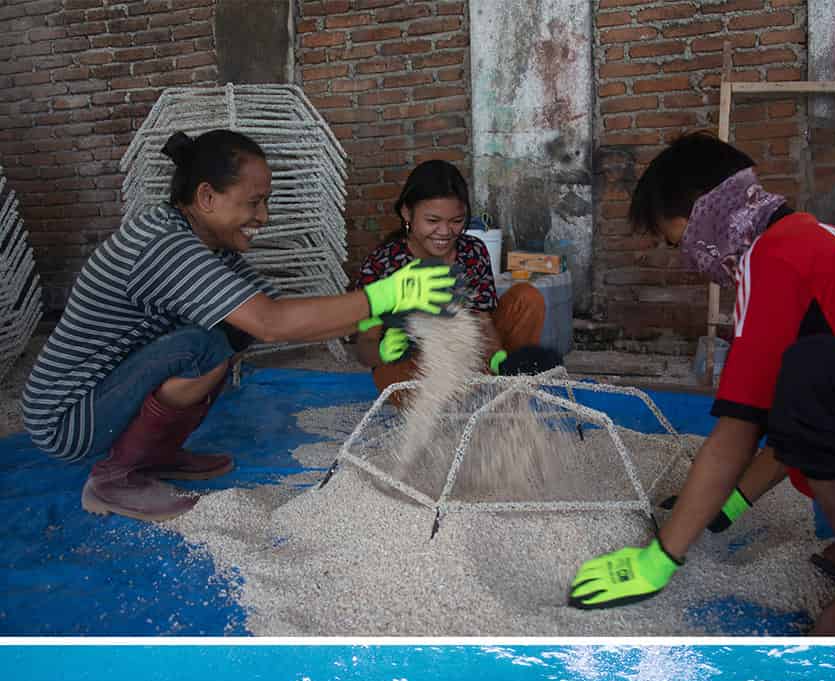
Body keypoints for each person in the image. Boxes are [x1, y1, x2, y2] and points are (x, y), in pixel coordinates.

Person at [567, 133, 835, 636]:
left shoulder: (774, 260)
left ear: (705, 214)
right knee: (805, 374)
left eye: (677, 241)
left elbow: (739, 431)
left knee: (807, 370)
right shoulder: (811, 240)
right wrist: (732, 503)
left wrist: (660, 558)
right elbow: (814, 410)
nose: (688, 260)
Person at [21, 130, 454, 521]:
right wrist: (388, 294)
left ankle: (153, 455)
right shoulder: (166, 245)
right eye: (253, 201)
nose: (263, 216)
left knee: (231, 333)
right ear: (207, 196)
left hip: (105, 392)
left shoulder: (207, 245)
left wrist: (386, 315)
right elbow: (271, 323)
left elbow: (283, 311)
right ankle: (114, 480)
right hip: (67, 415)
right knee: (204, 347)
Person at [353, 160, 554, 398]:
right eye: (432, 221)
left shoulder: (472, 252)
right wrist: (382, 352)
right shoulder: (383, 264)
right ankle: (450, 402)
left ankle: (502, 388)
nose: (445, 232)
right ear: (407, 213)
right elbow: (364, 347)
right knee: (405, 376)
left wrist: (499, 358)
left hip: (468, 359)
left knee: (526, 298)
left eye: (456, 221)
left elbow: (482, 321)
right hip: (412, 370)